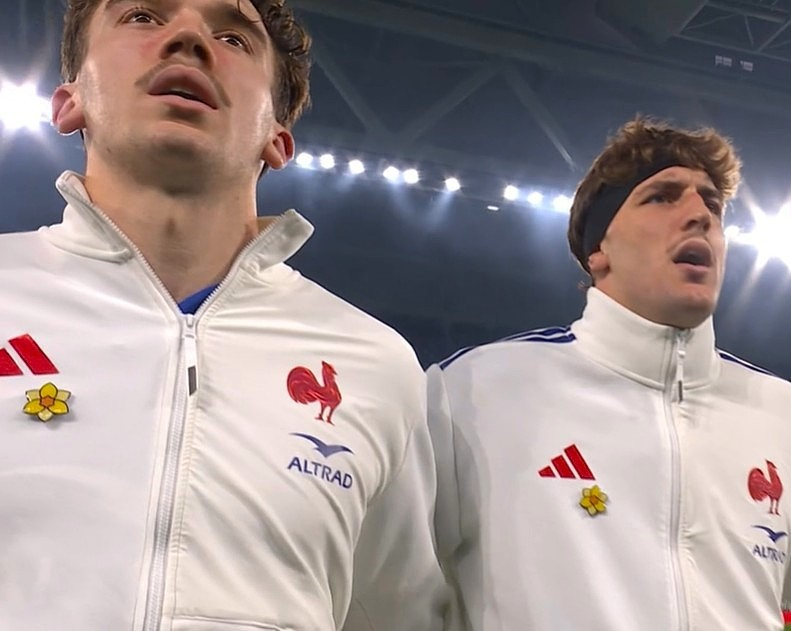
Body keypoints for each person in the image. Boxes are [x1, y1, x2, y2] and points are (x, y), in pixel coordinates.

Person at [0, 1, 450, 629]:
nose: (188, 37)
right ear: (68, 101)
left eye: (234, 39)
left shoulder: (375, 363)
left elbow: (397, 616)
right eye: (142, 16)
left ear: (277, 139)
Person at [428, 117, 791, 630]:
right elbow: (389, 588)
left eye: (712, 204)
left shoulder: (779, 414)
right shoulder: (477, 391)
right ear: (598, 250)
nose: (699, 216)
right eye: (661, 197)